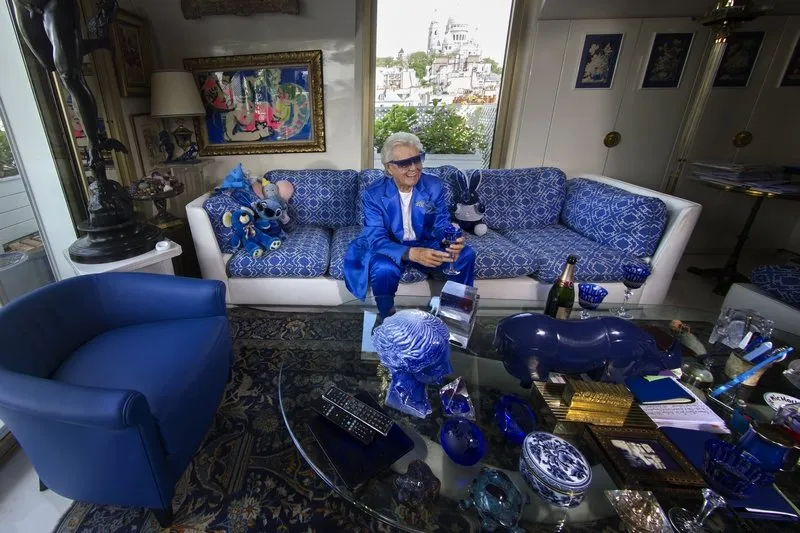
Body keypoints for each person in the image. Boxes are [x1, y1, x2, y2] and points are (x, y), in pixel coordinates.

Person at [344, 132, 476, 318]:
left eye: (417, 159)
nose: (414, 168)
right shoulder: (373, 194)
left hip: (427, 243)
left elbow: (440, 223)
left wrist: (450, 238)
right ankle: (387, 317)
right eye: (405, 163)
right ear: (390, 168)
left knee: (465, 254)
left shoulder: (433, 185)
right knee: (383, 269)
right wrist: (410, 253)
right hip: (392, 246)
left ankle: (456, 318)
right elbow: (375, 237)